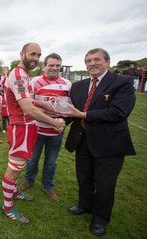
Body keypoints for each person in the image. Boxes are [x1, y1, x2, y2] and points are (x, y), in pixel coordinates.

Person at [62, 48, 136, 237]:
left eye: (97, 60)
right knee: (84, 177)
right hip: (83, 139)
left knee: (104, 184)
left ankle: (100, 218)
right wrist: (61, 122)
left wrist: (83, 115)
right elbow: (73, 111)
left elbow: (118, 112)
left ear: (108, 62)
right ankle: (84, 205)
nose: (92, 63)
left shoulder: (123, 82)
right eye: (88, 61)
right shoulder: (79, 86)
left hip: (110, 143)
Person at [1, 43, 65, 224]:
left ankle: (14, 192)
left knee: (18, 166)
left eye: (39, 55)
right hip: (21, 128)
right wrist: (55, 123)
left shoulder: (24, 74)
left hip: (26, 127)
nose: (36, 58)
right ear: (22, 54)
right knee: (13, 169)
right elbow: (28, 109)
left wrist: (44, 104)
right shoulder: (19, 75)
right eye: (32, 54)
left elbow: (27, 100)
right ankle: (7, 207)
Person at [19, 53, 71, 202]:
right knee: (32, 159)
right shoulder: (35, 81)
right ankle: (29, 180)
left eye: (57, 65)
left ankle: (48, 186)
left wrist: (62, 122)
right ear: (44, 66)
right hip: (37, 128)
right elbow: (29, 104)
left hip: (56, 132)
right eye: (51, 65)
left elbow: (69, 108)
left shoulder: (67, 84)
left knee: (51, 161)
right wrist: (48, 113)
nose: (54, 68)